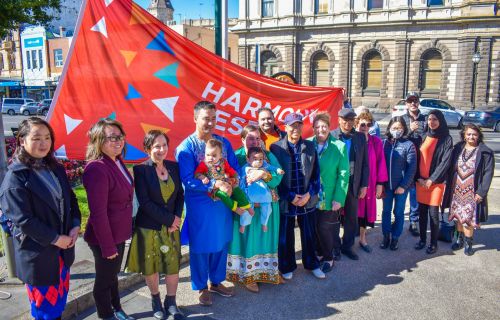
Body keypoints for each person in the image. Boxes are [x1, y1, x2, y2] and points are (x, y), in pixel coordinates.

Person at [0, 117, 81, 320]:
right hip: (39, 256)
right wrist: (55, 239)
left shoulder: (55, 168)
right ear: (21, 140)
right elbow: (23, 221)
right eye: (36, 138)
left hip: (62, 254)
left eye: (47, 137)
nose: (43, 143)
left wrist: (75, 225)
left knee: (59, 304)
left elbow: (71, 200)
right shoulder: (16, 178)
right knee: (45, 311)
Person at [175, 101, 236, 306]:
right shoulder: (186, 148)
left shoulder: (223, 143)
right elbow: (187, 180)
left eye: (213, 118)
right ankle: (201, 286)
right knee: (201, 246)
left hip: (222, 204)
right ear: (195, 118)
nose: (210, 122)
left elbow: (234, 168)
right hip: (200, 205)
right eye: (205, 118)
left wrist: (232, 183)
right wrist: (213, 186)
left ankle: (217, 282)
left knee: (220, 242)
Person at [126, 130, 184, 319]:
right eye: (156, 146)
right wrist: (169, 220)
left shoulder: (174, 167)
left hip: (172, 228)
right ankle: (155, 300)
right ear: (148, 148)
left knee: (172, 265)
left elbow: (180, 196)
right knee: (151, 266)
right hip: (148, 227)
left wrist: (176, 218)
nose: (161, 149)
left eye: (164, 145)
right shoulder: (141, 169)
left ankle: (171, 301)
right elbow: (145, 202)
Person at [82, 119, 135, 320]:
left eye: (119, 136)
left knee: (113, 278)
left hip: (118, 233)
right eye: (111, 137)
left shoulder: (117, 160)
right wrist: (108, 246)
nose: (117, 141)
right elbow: (98, 213)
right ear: (98, 140)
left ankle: (117, 309)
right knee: (104, 282)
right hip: (105, 238)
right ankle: (106, 315)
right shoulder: (97, 168)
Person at [226, 125, 283, 293]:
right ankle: (247, 276)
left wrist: (265, 175)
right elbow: (232, 182)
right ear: (243, 139)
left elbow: (278, 177)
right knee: (248, 240)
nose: (255, 141)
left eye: (258, 138)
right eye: (251, 138)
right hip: (246, 207)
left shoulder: (268, 155)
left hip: (267, 205)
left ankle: (267, 272)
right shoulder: (236, 156)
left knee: (265, 238)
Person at [270, 113, 325, 280]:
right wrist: (290, 196)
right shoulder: (276, 148)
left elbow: (316, 176)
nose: (296, 128)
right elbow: (274, 178)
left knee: (309, 234)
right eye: (292, 125)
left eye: (299, 125)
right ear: (285, 127)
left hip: (306, 199)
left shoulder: (309, 146)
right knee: (285, 236)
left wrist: (309, 194)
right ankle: (286, 266)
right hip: (287, 200)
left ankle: (312, 264)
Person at [442, 124, 494, 256]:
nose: (471, 137)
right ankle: (459, 239)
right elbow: (449, 167)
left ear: (479, 136)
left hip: (472, 191)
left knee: (468, 220)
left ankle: (468, 243)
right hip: (457, 189)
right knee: (458, 218)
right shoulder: (457, 148)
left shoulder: (485, 152)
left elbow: (488, 174)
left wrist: (481, 192)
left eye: (474, 134)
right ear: (464, 135)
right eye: (469, 134)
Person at [308, 112, 349, 273]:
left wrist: (339, 197)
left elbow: (344, 174)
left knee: (324, 227)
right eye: (317, 126)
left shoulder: (339, 146)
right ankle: (319, 253)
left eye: (324, 126)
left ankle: (328, 257)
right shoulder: (307, 144)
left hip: (330, 196)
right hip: (311, 196)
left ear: (329, 127)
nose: (321, 129)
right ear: (313, 128)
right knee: (314, 226)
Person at [330, 108, 369, 261]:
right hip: (335, 184)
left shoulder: (360, 137)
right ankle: (335, 247)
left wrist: (364, 185)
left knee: (351, 218)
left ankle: (348, 246)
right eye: (345, 120)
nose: (348, 123)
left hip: (354, 182)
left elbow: (365, 163)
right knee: (334, 216)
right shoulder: (331, 135)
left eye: (351, 120)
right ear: (339, 120)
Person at [414, 110, 453, 254]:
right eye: (430, 119)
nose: (432, 122)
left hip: (435, 183)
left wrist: (432, 179)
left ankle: (433, 243)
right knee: (422, 213)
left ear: (441, 120)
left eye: (435, 119)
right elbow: (417, 159)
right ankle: (423, 240)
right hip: (421, 181)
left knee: (433, 214)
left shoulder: (446, 139)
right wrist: (418, 177)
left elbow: (445, 162)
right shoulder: (423, 136)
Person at [380, 117, 417, 251]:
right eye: (394, 128)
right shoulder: (384, 144)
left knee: (399, 212)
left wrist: (403, 186)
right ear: (389, 128)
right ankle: (386, 236)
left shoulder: (408, 145)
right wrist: (380, 184)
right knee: (386, 212)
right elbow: (379, 164)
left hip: (401, 187)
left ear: (404, 129)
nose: (396, 131)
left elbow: (412, 167)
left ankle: (395, 238)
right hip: (386, 186)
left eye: (399, 128)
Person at [194, 139, 254, 219]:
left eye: (214, 155)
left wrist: (235, 177)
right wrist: (203, 177)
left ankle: (247, 206)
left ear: (220, 155)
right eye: (207, 155)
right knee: (223, 195)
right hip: (214, 189)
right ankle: (235, 208)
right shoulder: (204, 164)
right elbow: (197, 173)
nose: (210, 158)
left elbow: (230, 170)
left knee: (237, 189)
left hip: (224, 182)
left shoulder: (223, 162)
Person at [355, 112, 387, 253]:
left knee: (365, 212)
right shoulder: (351, 140)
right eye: (362, 124)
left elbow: (381, 163)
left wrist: (380, 184)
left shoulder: (376, 142)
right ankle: (346, 240)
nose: (365, 127)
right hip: (352, 183)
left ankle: (363, 238)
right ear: (356, 124)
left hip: (369, 184)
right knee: (348, 212)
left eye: (368, 124)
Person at [240, 146, 284, 233]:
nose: (258, 161)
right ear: (248, 159)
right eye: (255, 159)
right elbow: (240, 180)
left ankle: (264, 223)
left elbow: (272, 168)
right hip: (250, 194)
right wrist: (242, 190)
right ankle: (243, 224)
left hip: (264, 194)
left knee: (267, 209)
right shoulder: (245, 168)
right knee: (247, 210)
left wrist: (278, 170)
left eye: (260, 159)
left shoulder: (264, 165)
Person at [401, 92, 426, 237]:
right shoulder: (402, 119)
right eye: (410, 101)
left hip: (421, 161)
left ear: (418, 102)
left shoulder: (425, 119)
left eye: (415, 101)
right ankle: (398, 217)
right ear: (406, 103)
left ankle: (413, 221)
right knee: (402, 190)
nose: (412, 103)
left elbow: (429, 137)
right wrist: (410, 129)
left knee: (415, 193)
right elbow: (396, 137)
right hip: (405, 161)